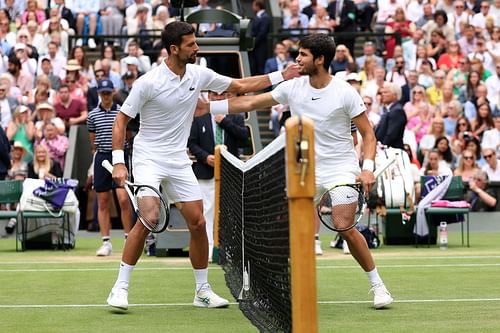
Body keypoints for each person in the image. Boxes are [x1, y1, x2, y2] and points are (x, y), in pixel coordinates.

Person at [106, 21, 300, 310]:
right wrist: (119, 162)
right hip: (148, 157)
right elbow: (121, 119)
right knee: (148, 216)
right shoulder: (147, 82)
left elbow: (238, 86)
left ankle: (202, 291)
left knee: (198, 222)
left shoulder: (199, 74)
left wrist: (281, 75)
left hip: (179, 159)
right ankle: (120, 287)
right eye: (191, 44)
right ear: (174, 49)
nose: (196, 48)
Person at [197, 33, 393, 309]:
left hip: (341, 170)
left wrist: (368, 168)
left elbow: (368, 135)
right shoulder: (294, 87)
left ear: (320, 60)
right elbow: (252, 103)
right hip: (305, 172)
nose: (297, 59)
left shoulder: (345, 92)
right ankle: (273, 290)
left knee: (344, 225)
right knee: (278, 230)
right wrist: (209, 108)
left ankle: (378, 286)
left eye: (303, 55)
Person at [188, 90, 249, 262]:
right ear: (209, 96)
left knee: (230, 212)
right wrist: (206, 158)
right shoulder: (200, 117)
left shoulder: (235, 116)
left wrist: (224, 121)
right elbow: (191, 142)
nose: (218, 97)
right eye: (215, 94)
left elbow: (244, 138)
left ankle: (228, 249)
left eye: (222, 95)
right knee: (206, 212)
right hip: (206, 173)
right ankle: (207, 249)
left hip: (230, 173)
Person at [87, 79, 133, 257]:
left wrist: (121, 153)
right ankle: (106, 242)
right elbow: (93, 140)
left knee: (123, 199)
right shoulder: (92, 115)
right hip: (102, 157)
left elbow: (127, 135)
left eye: (108, 93)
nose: (106, 96)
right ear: (99, 94)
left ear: (113, 92)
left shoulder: (122, 111)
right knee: (103, 201)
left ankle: (129, 239)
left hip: (119, 156)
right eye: (103, 93)